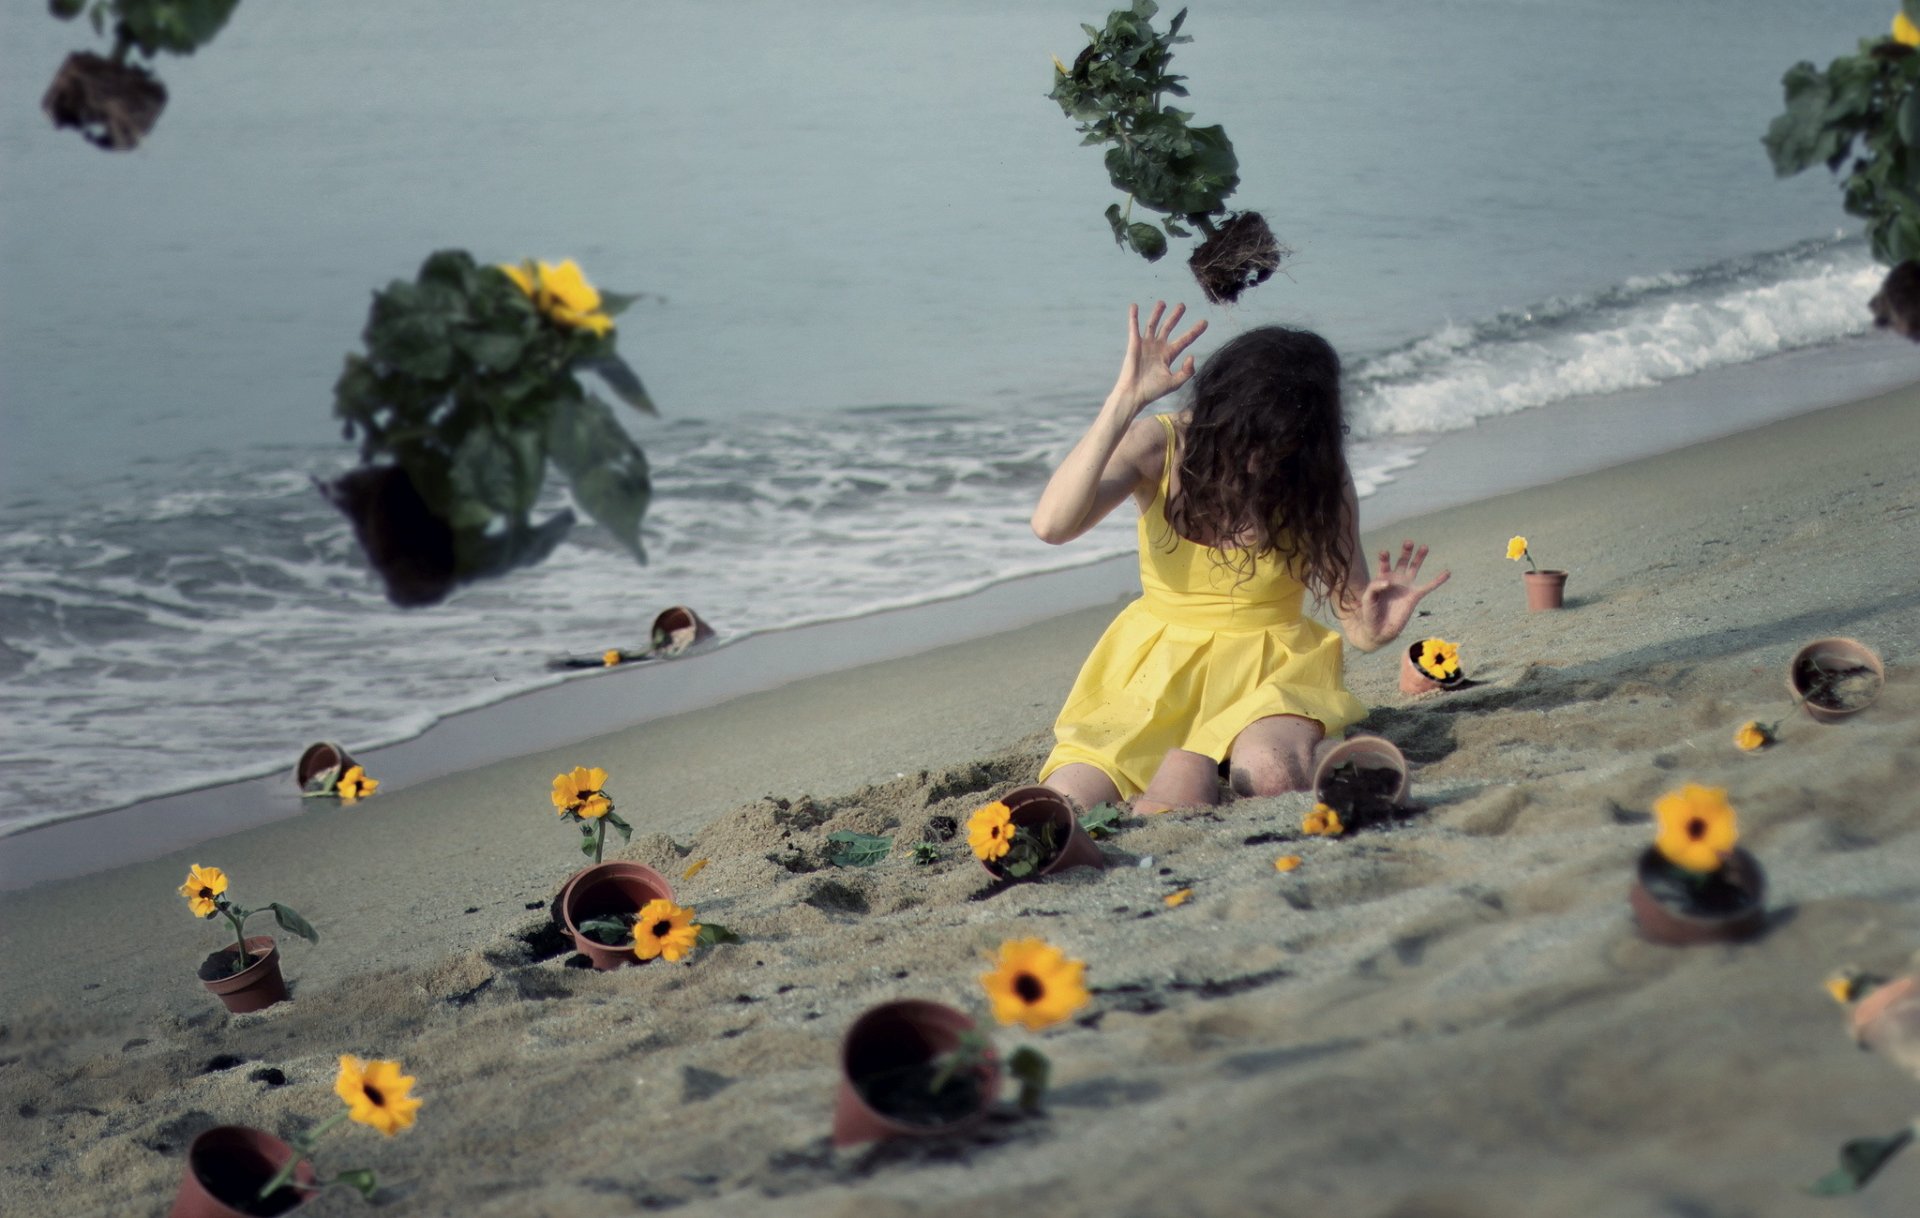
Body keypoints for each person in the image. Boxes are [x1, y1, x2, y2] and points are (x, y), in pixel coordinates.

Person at [1030, 302, 1448, 815]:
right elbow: (1052, 525)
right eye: (1249, 435)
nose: (1260, 457)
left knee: (1270, 776)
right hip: (1152, 670)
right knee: (1066, 803)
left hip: (1272, 670)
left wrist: (1376, 627)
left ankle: (1313, 751)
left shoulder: (1318, 475)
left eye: (1281, 442)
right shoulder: (1158, 445)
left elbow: (1354, 621)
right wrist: (1125, 400)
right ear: (1220, 410)